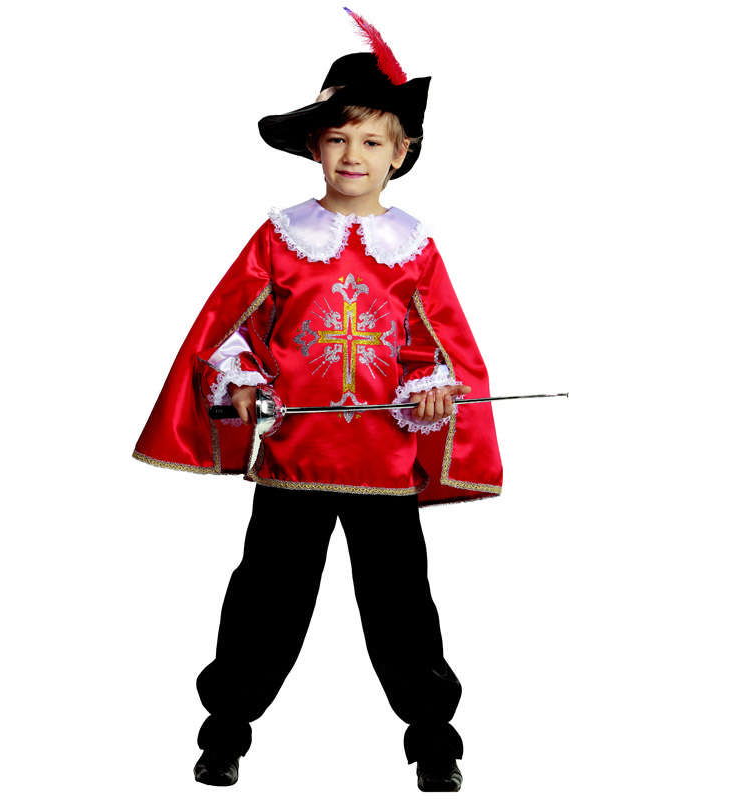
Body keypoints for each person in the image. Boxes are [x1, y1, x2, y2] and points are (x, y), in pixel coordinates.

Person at [133, 8, 502, 792]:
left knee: (403, 607)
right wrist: (240, 384)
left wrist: (433, 391)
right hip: (294, 458)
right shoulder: (281, 236)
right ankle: (225, 731)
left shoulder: (415, 247)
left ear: (402, 153)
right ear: (314, 146)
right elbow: (230, 326)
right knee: (265, 602)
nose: (353, 155)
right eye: (338, 138)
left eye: (371, 141)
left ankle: (433, 739)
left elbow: (436, 344)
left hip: (381, 462)